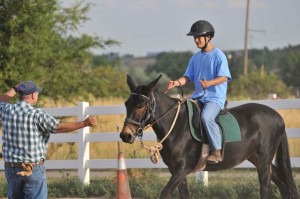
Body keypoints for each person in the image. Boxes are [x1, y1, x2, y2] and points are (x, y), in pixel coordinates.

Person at [0, 81, 97, 199]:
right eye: (37, 93)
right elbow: (59, 127)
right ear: (32, 95)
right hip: (32, 167)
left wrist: (15, 88)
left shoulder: (7, 110)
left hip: (11, 168)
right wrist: (84, 123)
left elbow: (2, 100)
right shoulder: (36, 114)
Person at [166, 20, 232, 164]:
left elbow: (224, 77)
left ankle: (216, 151)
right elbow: (187, 77)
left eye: (198, 37)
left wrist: (209, 83)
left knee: (206, 117)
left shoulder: (218, 56)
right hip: (197, 97)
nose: (196, 40)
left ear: (208, 37)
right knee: (180, 113)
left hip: (214, 98)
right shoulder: (195, 58)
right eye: (194, 37)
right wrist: (176, 82)